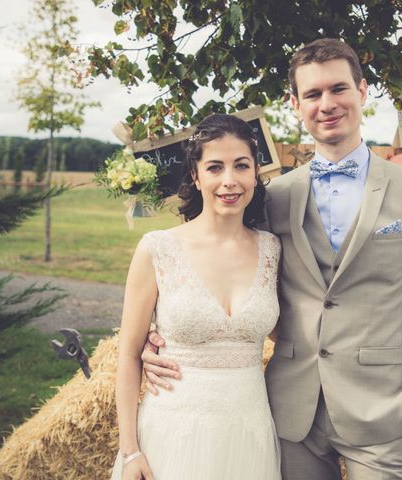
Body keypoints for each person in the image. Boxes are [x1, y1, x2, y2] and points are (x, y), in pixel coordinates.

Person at [143, 38, 402, 480]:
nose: (327, 104)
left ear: (362, 92)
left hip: (385, 416)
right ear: (295, 104)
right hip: (291, 415)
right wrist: (161, 333)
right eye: (313, 94)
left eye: (338, 89)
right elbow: (222, 262)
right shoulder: (275, 196)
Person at [111, 113, 282, 480]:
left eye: (241, 166)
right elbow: (128, 355)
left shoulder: (272, 250)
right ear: (195, 175)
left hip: (248, 437)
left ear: (256, 173)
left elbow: (288, 333)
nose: (229, 181)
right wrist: (130, 452)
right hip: (173, 435)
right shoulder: (157, 248)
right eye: (215, 167)